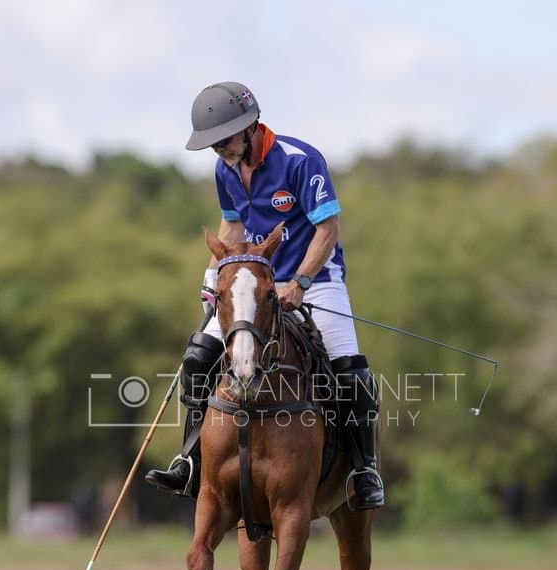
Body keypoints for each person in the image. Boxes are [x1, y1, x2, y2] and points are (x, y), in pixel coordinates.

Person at [144, 81, 384, 510]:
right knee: (198, 357)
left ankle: (365, 469)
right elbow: (232, 225)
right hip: (249, 285)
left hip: (317, 280)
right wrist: (212, 277)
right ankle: (190, 460)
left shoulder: (299, 160)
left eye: (223, 139)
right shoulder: (225, 170)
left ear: (250, 126)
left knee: (349, 370)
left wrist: (301, 282)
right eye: (212, 143)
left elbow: (328, 228)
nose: (218, 148)